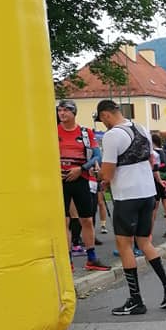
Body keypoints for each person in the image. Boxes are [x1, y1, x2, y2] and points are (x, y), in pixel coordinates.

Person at [96, 99, 166, 315]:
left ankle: (135, 299)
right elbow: (151, 160)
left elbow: (108, 172)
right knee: (144, 242)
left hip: (127, 196)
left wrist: (100, 177)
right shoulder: (141, 128)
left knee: (124, 244)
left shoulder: (112, 135)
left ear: (105, 115)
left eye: (102, 120)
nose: (103, 124)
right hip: (147, 193)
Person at [57, 99, 111, 272]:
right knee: (64, 221)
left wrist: (81, 169)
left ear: (74, 113)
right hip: (60, 181)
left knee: (86, 219)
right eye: (60, 110)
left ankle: (92, 258)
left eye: (66, 110)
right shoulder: (53, 132)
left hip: (81, 179)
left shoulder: (85, 133)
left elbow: (97, 156)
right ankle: (68, 260)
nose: (62, 113)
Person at [151, 131, 166, 239]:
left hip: (155, 182)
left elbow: (155, 169)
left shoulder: (152, 153)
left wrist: (159, 180)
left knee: (154, 208)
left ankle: (149, 232)